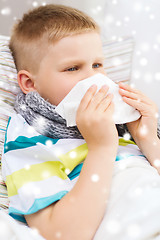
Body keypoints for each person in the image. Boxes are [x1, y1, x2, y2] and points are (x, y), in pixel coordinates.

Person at [2, 4, 160, 240]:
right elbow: (63, 234)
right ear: (30, 83)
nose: (94, 78)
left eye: (97, 65)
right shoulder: (27, 141)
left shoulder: (121, 124)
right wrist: (101, 147)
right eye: (72, 68)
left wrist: (146, 138)